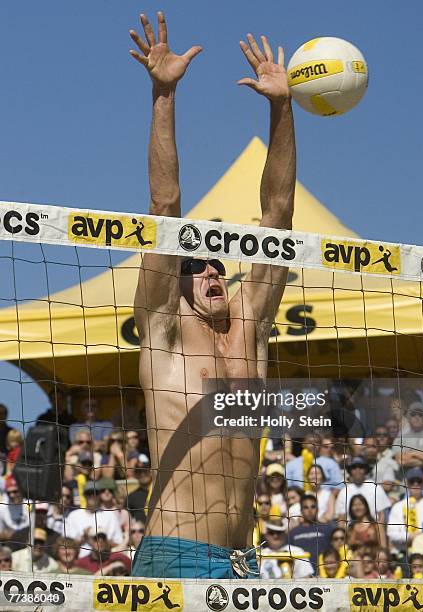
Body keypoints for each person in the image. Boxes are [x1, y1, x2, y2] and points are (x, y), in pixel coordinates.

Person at [130, 10, 296, 579]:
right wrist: (163, 95)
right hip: (174, 557)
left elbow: (277, 216)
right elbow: (165, 208)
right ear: (174, 283)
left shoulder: (249, 322)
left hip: (242, 563)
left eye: (215, 264)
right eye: (195, 265)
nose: (209, 271)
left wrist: (282, 107)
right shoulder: (163, 329)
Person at [335, 456, 390, 545]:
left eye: (361, 467)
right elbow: (341, 520)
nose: (357, 470)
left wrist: (381, 541)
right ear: (350, 471)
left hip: (373, 533)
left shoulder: (375, 487)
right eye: (354, 467)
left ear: (365, 470)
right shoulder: (344, 492)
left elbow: (382, 516)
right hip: (351, 533)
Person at [64, 480, 123, 557]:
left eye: (95, 493)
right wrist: (84, 537)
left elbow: (119, 543)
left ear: (99, 495)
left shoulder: (109, 515)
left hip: (104, 559)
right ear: (84, 495)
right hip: (79, 560)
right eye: (89, 493)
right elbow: (66, 545)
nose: (92, 496)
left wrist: (101, 539)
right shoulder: (73, 516)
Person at [386, 467, 423, 552]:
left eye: (419, 481)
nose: (415, 484)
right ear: (407, 483)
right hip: (405, 551)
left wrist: (422, 536)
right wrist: (409, 536)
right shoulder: (398, 506)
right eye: (412, 481)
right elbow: (391, 533)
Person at [288, 493, 333, 574]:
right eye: (306, 507)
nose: (310, 510)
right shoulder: (293, 533)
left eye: (313, 507)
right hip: (300, 577)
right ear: (301, 510)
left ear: (318, 509)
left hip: (323, 576)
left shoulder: (327, 529)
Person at [0, 475, 30, 541]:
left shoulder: (30, 503)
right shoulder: (2, 507)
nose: (11, 495)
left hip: (29, 540)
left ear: (21, 490)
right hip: (11, 542)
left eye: (15, 491)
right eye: (8, 493)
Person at [126, 454, 152, 523]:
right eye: (139, 472)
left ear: (151, 471)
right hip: (140, 532)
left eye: (145, 470)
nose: (142, 474)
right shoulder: (131, 497)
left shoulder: (159, 492)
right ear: (135, 474)